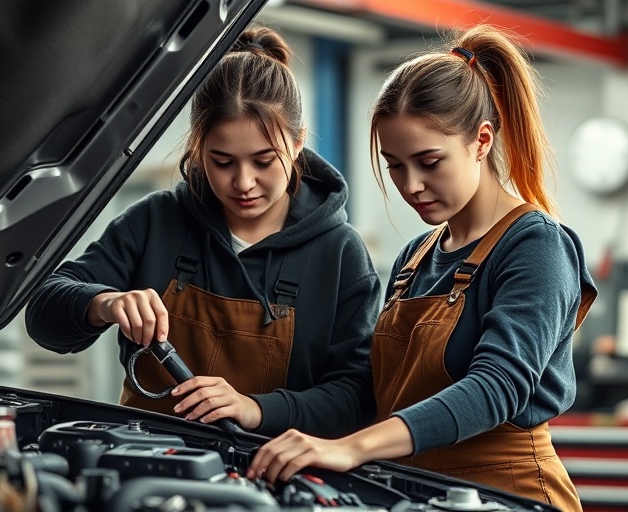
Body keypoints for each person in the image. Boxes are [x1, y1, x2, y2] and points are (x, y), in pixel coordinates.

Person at [246, 24, 597, 510]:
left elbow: (497, 388)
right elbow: (370, 394)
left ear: (481, 140)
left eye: (429, 161)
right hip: (415, 493)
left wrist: (352, 447)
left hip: (505, 495)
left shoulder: (536, 245)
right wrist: (257, 412)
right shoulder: (415, 257)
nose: (411, 185)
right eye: (395, 164)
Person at [24, 26, 382, 440]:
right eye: (222, 161)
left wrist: (256, 409)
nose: (243, 182)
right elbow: (42, 312)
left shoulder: (340, 254)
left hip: (271, 483)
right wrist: (103, 303)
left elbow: (356, 397)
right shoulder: (156, 221)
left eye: (264, 161)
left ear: (298, 142)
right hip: (141, 458)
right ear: (198, 149)